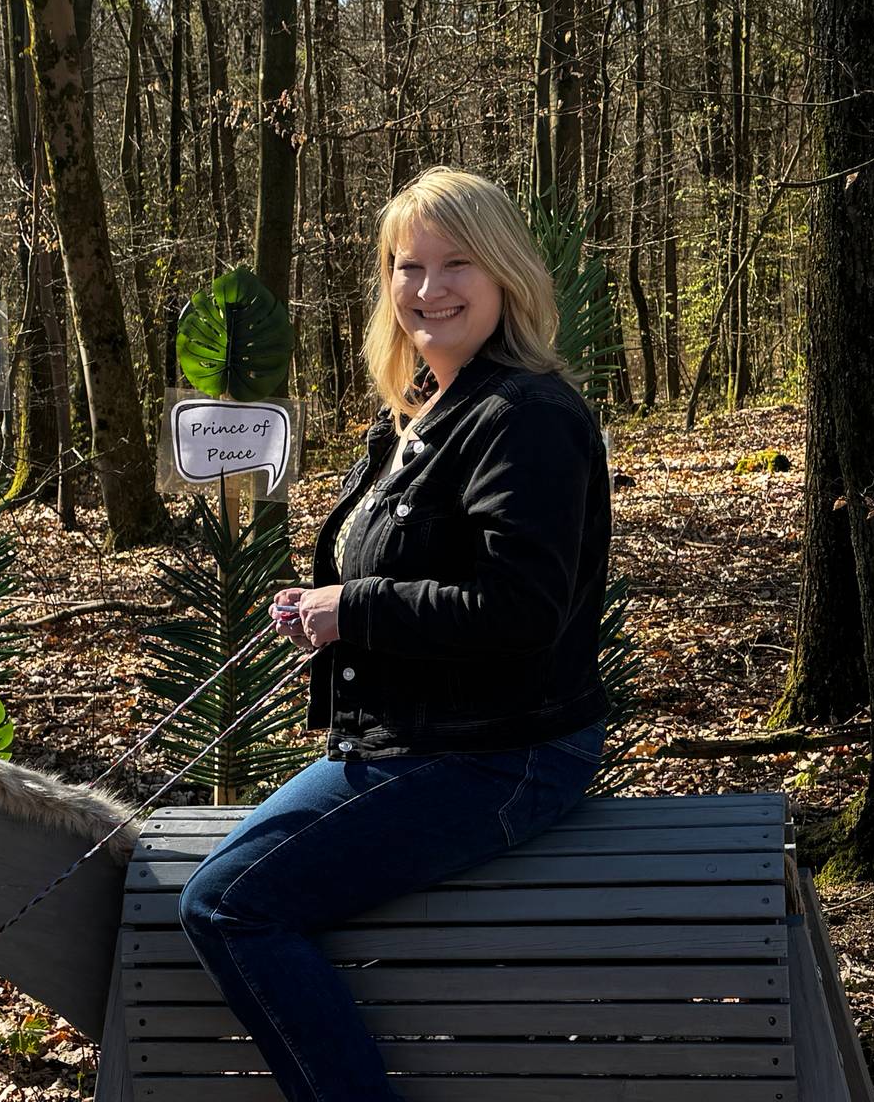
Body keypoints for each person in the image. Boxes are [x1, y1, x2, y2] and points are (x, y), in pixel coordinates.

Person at [175, 167, 613, 1102]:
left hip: (501, 753)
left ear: (506, 277)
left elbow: (521, 609)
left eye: (458, 263)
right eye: (407, 267)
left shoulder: (526, 417)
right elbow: (398, 566)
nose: (430, 289)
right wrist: (328, 605)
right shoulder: (418, 413)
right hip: (411, 738)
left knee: (227, 906)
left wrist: (353, 611)